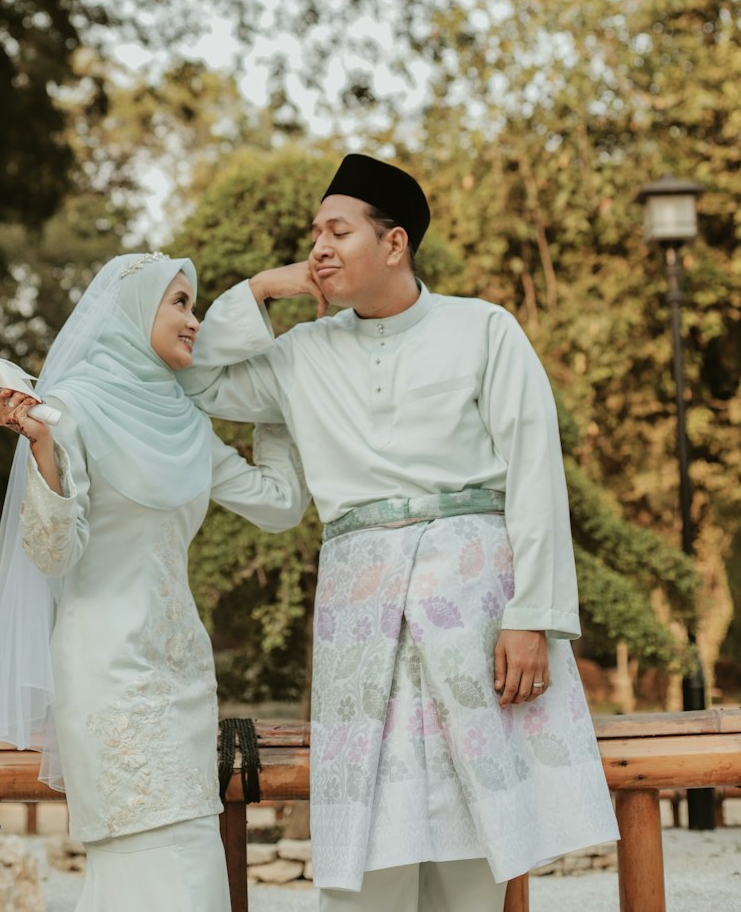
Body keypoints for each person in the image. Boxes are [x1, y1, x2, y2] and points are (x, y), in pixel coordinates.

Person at [179, 154, 619, 912]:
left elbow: (536, 475)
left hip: (476, 603)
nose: (318, 246)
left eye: (337, 231)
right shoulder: (298, 355)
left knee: (474, 828)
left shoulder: (484, 329)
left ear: (395, 244)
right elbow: (195, 375)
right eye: (313, 232)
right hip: (361, 605)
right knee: (367, 831)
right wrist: (261, 289)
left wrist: (533, 616)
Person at [0, 251, 308, 911]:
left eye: (197, 303)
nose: (194, 319)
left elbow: (279, 502)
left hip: (183, 679)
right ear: (132, 312)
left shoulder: (187, 423)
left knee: (194, 876)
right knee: (151, 878)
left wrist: (279, 394)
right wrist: (40, 448)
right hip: (107, 677)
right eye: (178, 302)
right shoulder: (68, 409)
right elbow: (53, 550)